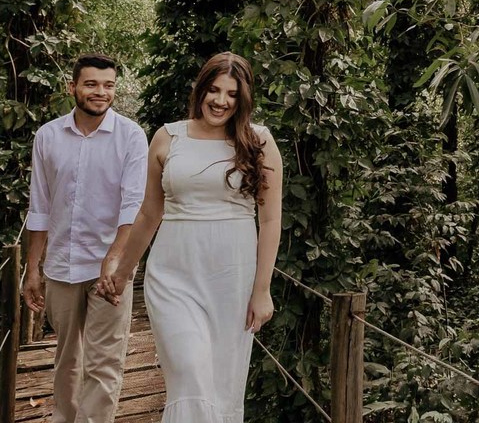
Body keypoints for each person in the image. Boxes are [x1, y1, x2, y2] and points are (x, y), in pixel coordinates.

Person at [97, 52, 284, 423]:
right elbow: (150, 213)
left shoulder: (258, 141)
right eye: (213, 90)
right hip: (172, 275)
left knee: (222, 386)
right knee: (189, 375)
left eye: (232, 94)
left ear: (243, 98)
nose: (221, 101)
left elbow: (271, 218)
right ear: (200, 90)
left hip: (233, 277)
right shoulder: (168, 137)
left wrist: (262, 290)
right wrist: (122, 273)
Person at [23, 53, 149, 423]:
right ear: (73, 87)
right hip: (62, 263)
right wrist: (33, 268)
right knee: (67, 356)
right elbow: (40, 206)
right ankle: (65, 417)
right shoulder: (48, 136)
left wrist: (116, 258)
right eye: (91, 84)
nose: (101, 92)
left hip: (112, 267)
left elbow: (134, 204)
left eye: (108, 85)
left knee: (105, 360)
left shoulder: (131, 136)